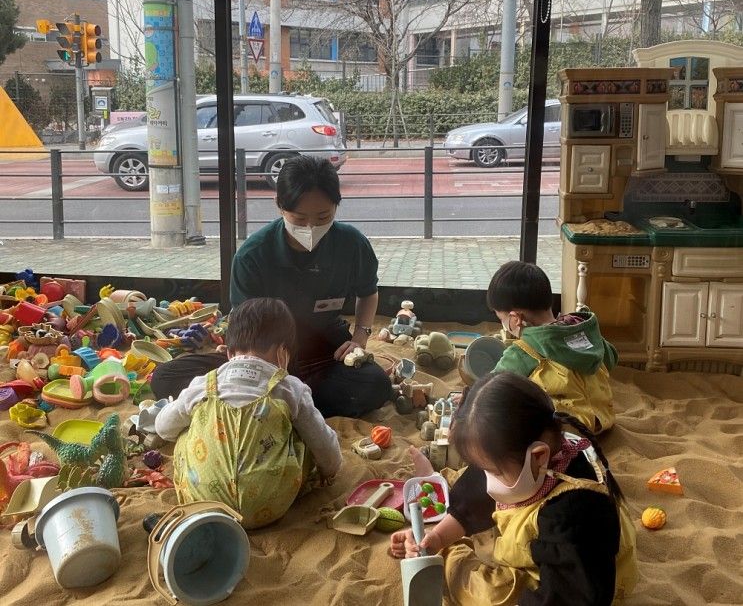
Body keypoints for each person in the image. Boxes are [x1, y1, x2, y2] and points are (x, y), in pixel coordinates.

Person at [390, 372, 637, 606]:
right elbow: (474, 498)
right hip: (538, 532)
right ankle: (447, 537)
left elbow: (572, 596)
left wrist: (445, 553)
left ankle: (451, 558)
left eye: (493, 472)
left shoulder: (572, 518)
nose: (486, 480)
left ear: (538, 456)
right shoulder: (529, 451)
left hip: (574, 575)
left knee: (488, 592)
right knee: (483, 497)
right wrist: (437, 538)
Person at [154, 297, 342, 530]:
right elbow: (327, 452)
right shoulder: (290, 388)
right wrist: (327, 469)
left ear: (229, 351)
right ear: (284, 352)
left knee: (185, 430)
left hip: (206, 505)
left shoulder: (204, 385)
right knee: (302, 435)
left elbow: (163, 427)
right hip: (270, 506)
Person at [229, 154, 390, 418]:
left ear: (336, 207)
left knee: (377, 385)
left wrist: (360, 337)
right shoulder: (252, 255)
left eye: (323, 216)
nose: (311, 227)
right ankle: (298, 400)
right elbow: (243, 325)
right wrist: (266, 365)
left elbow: (368, 292)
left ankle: (290, 402)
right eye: (300, 218)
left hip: (326, 343)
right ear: (279, 205)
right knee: (173, 377)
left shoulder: (351, 244)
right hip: (269, 350)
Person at [488, 260, 618, 433]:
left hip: (564, 430)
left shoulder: (521, 351)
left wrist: (469, 396)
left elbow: (492, 386)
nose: (504, 325)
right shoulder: (583, 328)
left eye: (502, 319)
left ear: (515, 318)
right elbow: (611, 358)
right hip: (603, 418)